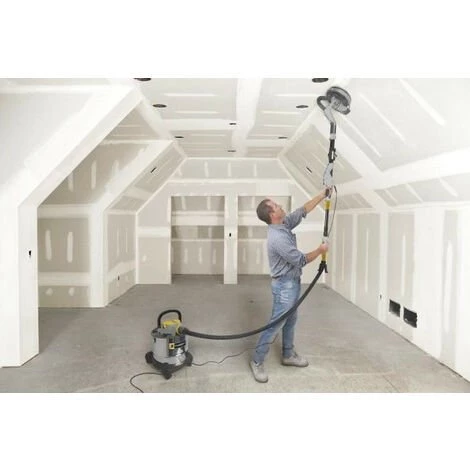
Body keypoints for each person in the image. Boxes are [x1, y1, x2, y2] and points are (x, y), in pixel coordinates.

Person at [250, 189, 329, 383]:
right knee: (275, 324)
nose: (280, 206)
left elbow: (302, 211)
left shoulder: (283, 223)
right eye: (276, 206)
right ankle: (257, 361)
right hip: (284, 286)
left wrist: (322, 195)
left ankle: (288, 354)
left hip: (292, 281)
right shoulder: (278, 238)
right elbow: (300, 260)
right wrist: (320, 250)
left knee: (291, 320)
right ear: (272, 215)